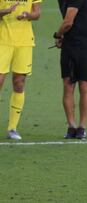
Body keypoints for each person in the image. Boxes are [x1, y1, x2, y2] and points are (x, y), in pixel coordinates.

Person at [54, 0, 87, 139]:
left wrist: (58, 35)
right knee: (68, 84)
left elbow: (68, 21)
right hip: (70, 43)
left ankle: (82, 127)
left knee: (84, 84)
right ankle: (71, 126)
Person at [0, 0, 42, 140]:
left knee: (19, 82)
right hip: (3, 40)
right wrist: (4, 12)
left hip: (24, 42)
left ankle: (12, 128)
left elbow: (37, 14)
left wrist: (28, 14)